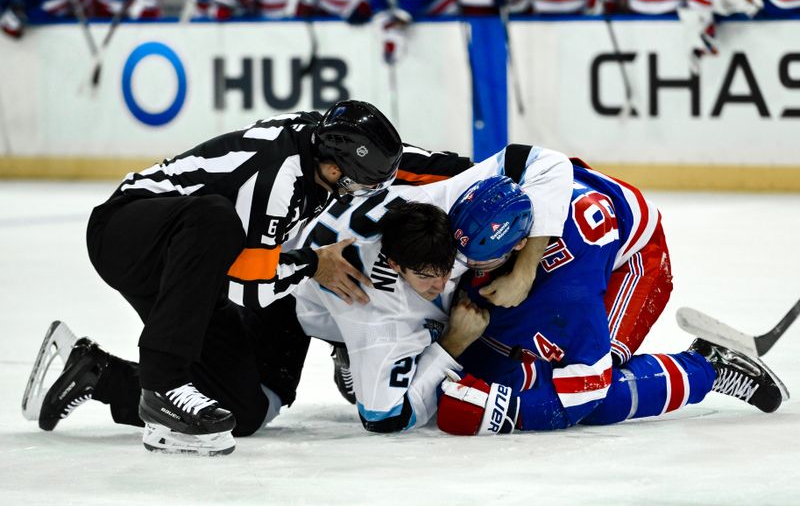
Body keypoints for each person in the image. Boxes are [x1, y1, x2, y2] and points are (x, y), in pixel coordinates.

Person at [23, 100, 406, 455]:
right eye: (361, 184)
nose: (360, 192)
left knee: (243, 409)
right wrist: (312, 264)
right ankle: (163, 385)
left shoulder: (319, 144)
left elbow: (252, 270)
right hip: (126, 234)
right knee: (216, 220)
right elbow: (251, 291)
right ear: (336, 169)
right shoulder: (276, 179)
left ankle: (98, 374)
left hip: (194, 261)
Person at [435, 169, 789, 435]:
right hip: (578, 231)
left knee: (600, 393)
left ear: (518, 246)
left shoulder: (569, 287)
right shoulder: (474, 200)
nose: (463, 270)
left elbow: (583, 392)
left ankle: (707, 366)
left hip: (632, 259)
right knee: (486, 349)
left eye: (478, 261)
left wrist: (509, 412)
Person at [293, 143, 574, 431]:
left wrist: (524, 271)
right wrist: (454, 342)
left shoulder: (445, 204)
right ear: (394, 265)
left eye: (448, 268)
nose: (439, 285)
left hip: (336, 227)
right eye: (426, 276)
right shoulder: (380, 315)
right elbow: (384, 418)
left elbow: (548, 162)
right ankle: (344, 346)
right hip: (300, 302)